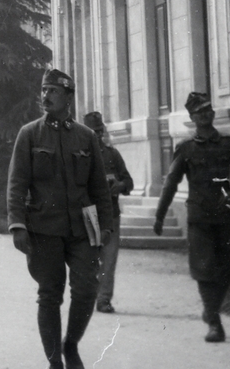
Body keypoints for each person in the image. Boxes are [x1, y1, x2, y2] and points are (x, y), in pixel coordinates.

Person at [8, 69, 115, 369]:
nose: (45, 96)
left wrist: (105, 225)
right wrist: (17, 225)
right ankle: (55, 361)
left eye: (53, 91)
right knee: (50, 294)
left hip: (83, 228)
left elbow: (98, 188)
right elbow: (16, 184)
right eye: (43, 89)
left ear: (69, 96)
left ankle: (71, 344)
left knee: (86, 289)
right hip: (43, 228)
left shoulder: (86, 136)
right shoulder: (29, 134)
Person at [154, 92, 230, 343]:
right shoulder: (186, 148)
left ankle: (210, 309)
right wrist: (160, 215)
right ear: (192, 117)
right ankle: (214, 321)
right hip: (199, 217)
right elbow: (171, 183)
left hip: (226, 214)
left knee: (227, 271)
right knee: (204, 269)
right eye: (200, 112)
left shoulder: (228, 144)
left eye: (208, 110)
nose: (205, 115)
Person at [82, 112, 133, 314]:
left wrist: (118, 186)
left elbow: (129, 182)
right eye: (93, 132)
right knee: (91, 259)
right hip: (90, 215)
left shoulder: (113, 155)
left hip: (111, 215)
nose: (98, 135)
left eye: (100, 131)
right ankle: (89, 295)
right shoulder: (78, 157)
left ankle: (103, 299)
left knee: (109, 260)